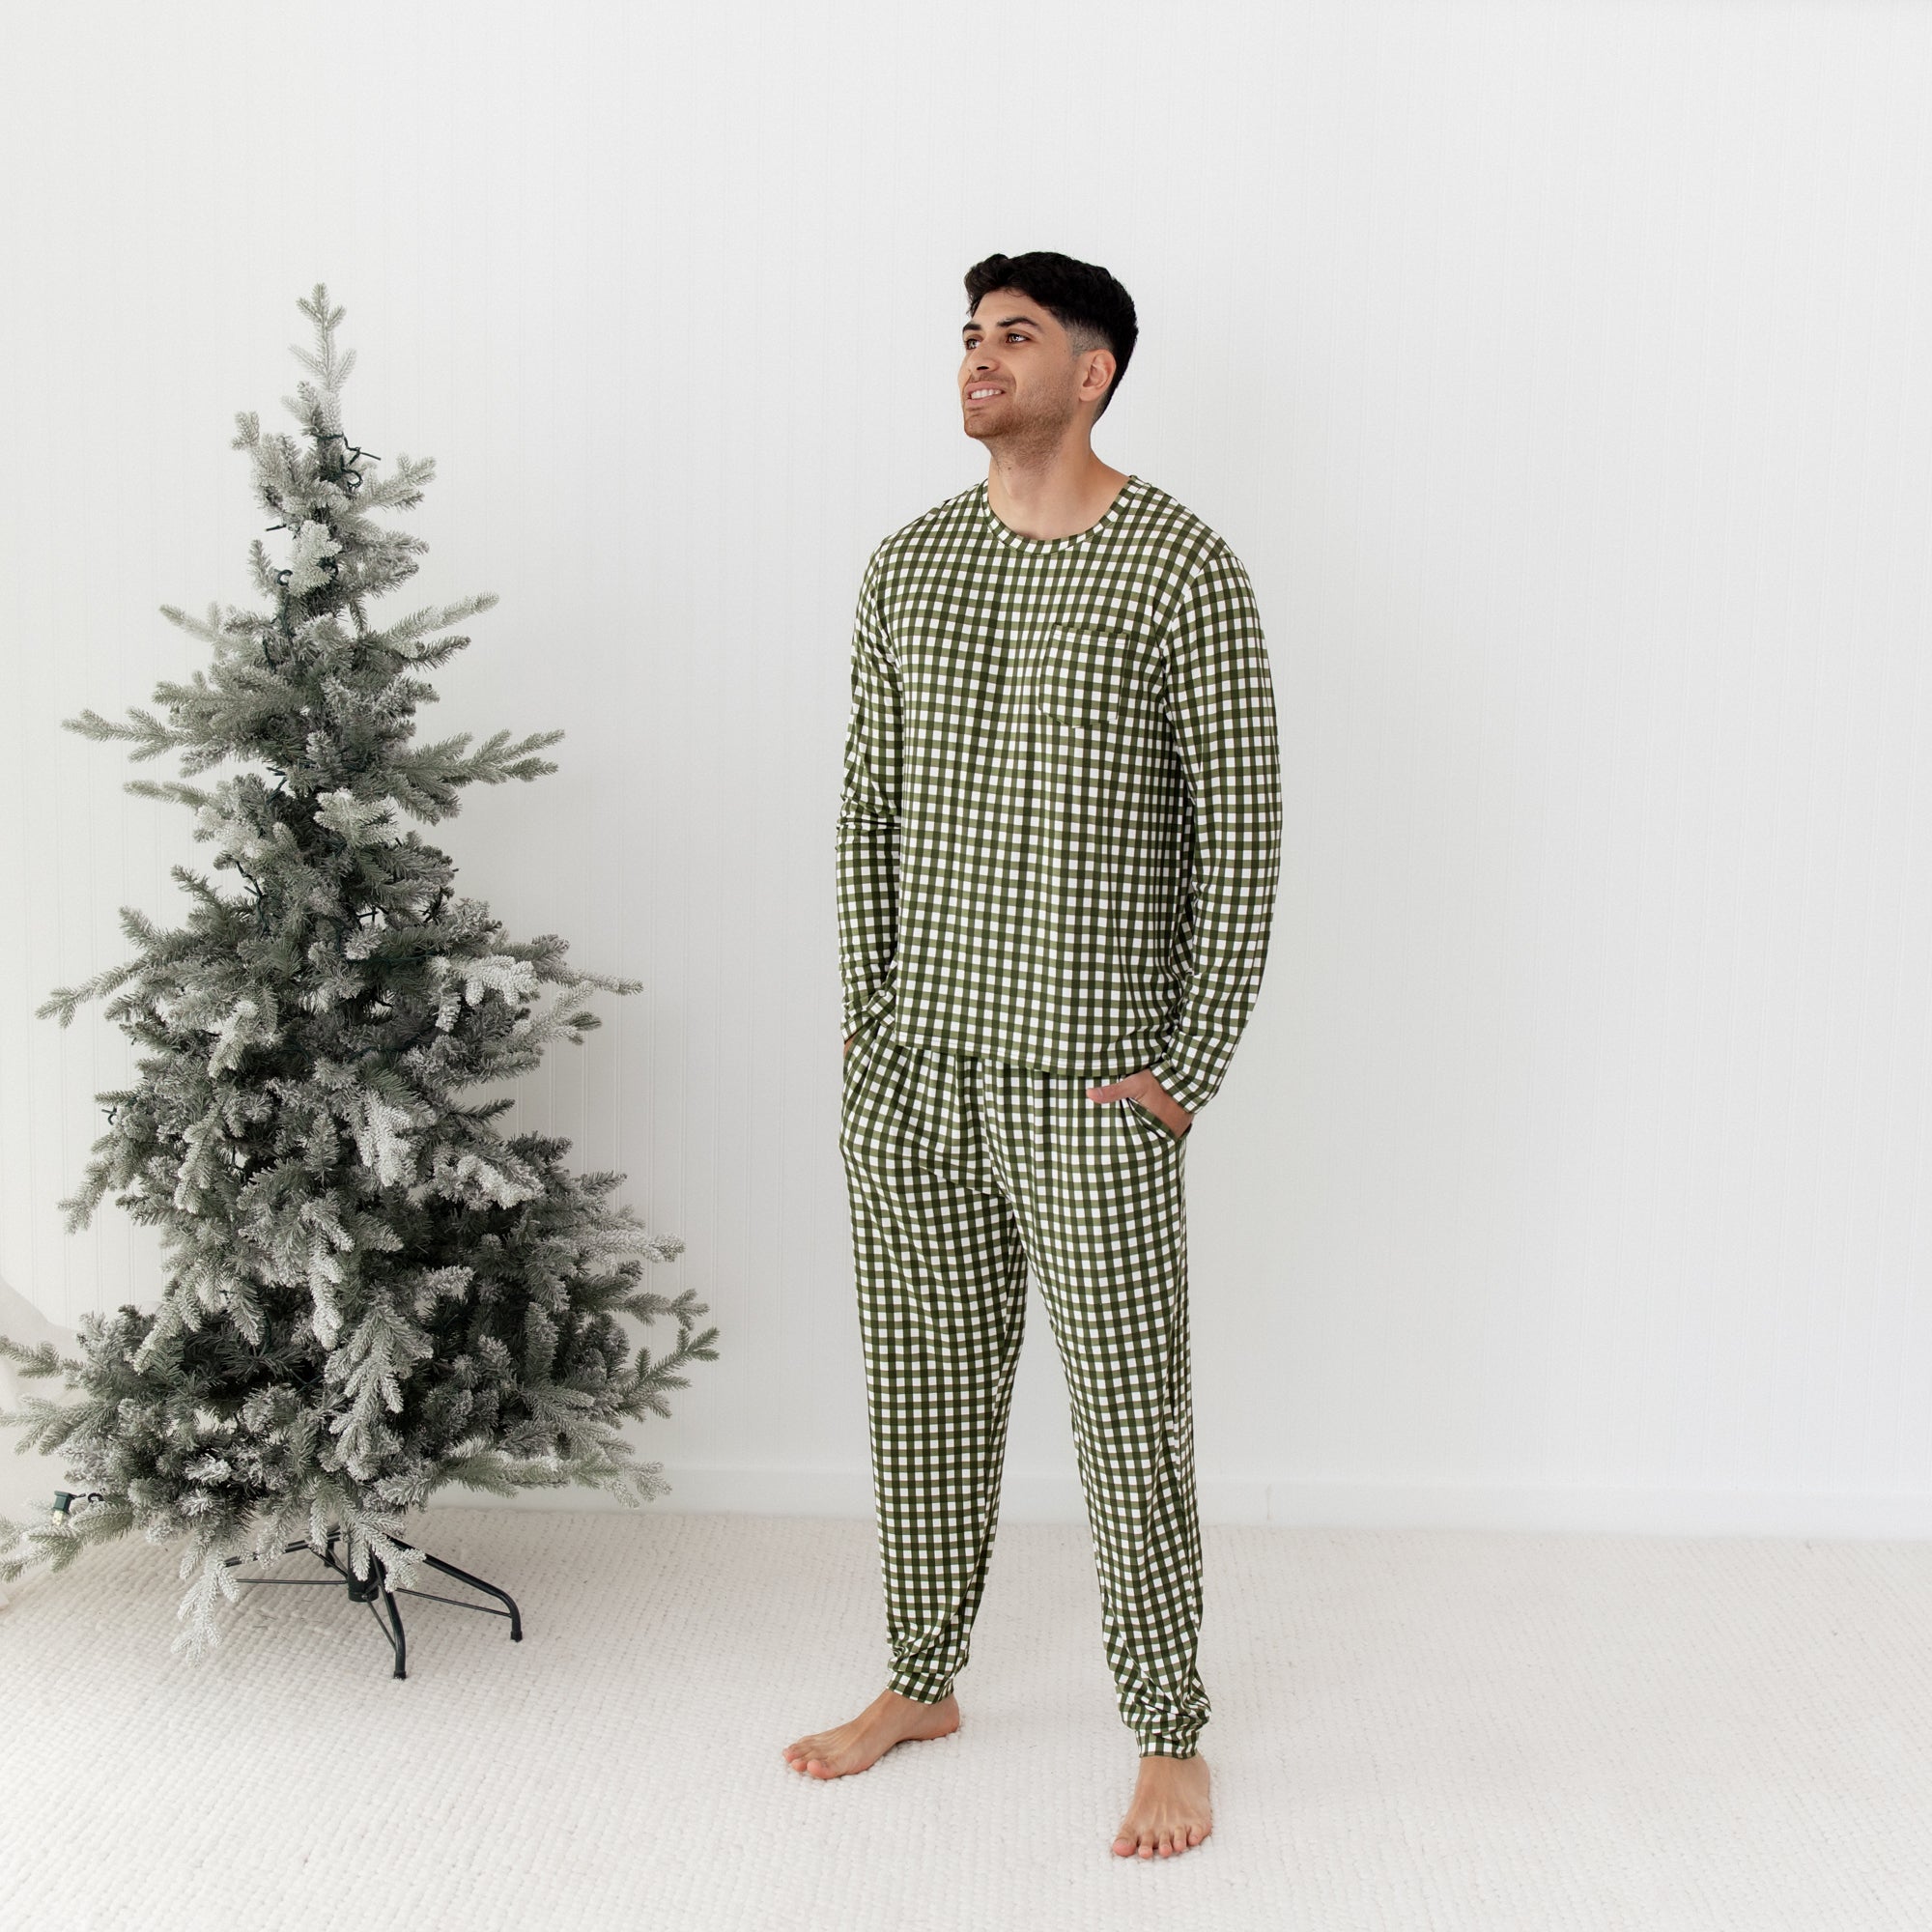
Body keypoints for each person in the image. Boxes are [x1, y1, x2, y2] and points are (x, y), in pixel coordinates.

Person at [784, 250, 1283, 1861]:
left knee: (1132, 1413)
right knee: (922, 1392)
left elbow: (1242, 833)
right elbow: (864, 812)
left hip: (1092, 1080)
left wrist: (1188, 1063)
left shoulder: (1180, 568)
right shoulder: (908, 566)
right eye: (971, 337)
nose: (981, 361)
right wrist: (870, 1023)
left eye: (1018, 339)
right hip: (916, 1065)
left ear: (1097, 374)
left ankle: (1168, 1728)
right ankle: (921, 1677)